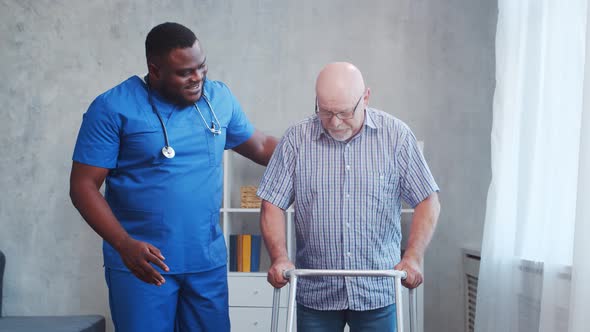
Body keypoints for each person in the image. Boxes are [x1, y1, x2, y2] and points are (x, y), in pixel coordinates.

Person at [69, 22, 277, 332]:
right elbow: (82, 186)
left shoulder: (218, 99)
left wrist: (314, 150)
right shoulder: (112, 108)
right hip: (143, 264)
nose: (198, 78)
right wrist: (123, 244)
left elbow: (260, 146)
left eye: (201, 67)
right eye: (185, 72)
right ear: (155, 70)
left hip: (205, 261)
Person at [257, 62, 440, 332]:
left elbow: (427, 200)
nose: (334, 122)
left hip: (376, 291)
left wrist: (413, 257)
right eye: (325, 112)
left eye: (343, 112)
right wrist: (279, 257)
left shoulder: (396, 136)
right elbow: (271, 203)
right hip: (316, 292)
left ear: (365, 97)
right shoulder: (297, 139)